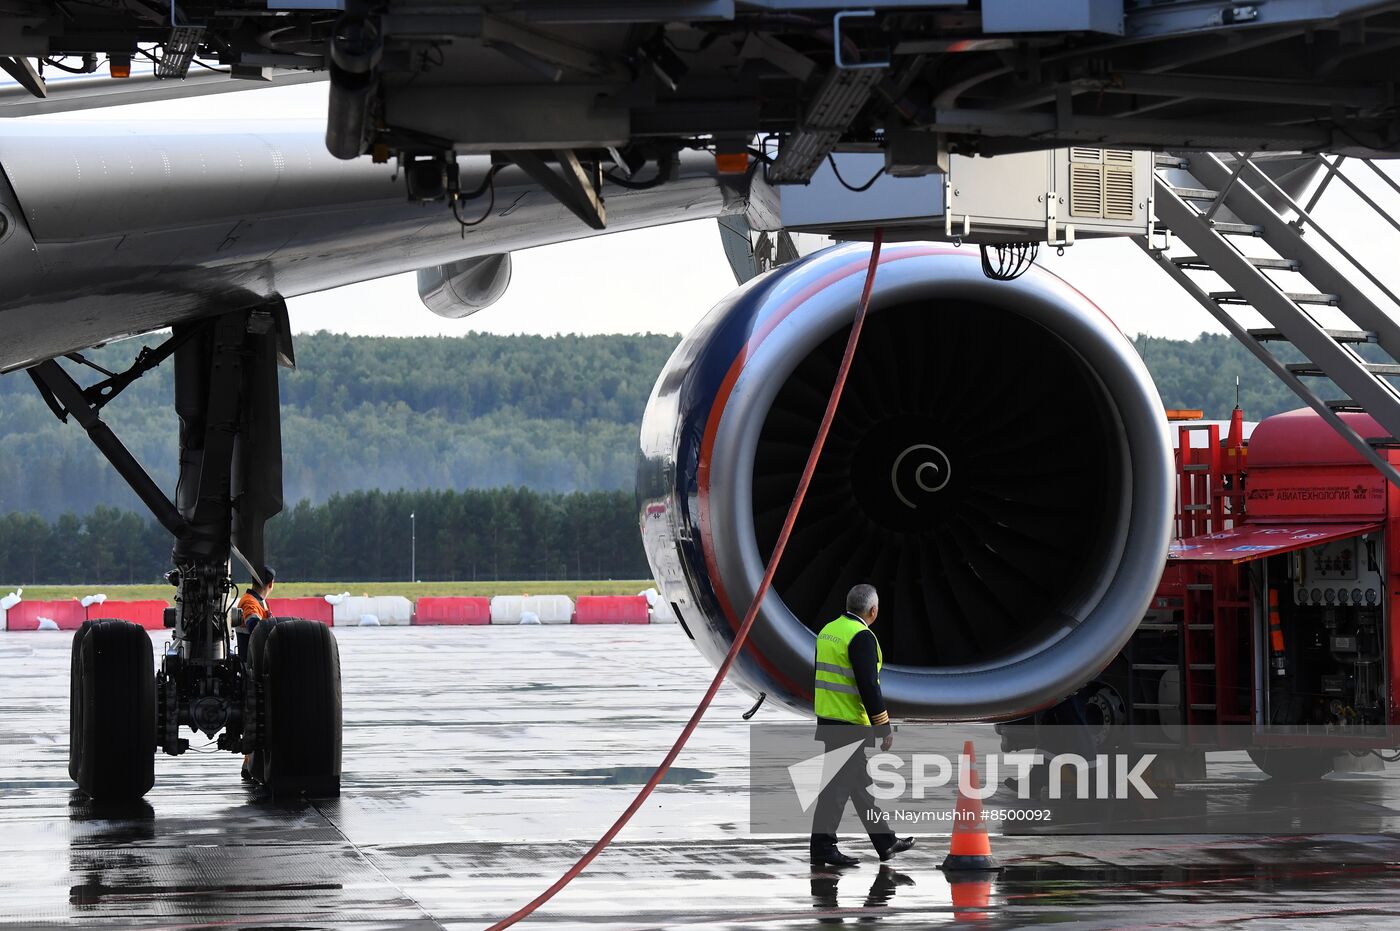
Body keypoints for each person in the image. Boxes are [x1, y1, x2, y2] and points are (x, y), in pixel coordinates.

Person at [809, 583, 915, 868]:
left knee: (859, 787)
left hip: (830, 719)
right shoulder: (862, 637)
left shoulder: (828, 630)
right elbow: (869, 685)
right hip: (850, 723)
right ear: (873, 611)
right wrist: (883, 727)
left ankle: (885, 841)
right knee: (835, 791)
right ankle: (823, 848)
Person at [235, 566, 275, 781]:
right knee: (253, 715)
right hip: (250, 667)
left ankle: (249, 763)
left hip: (253, 665)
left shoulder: (258, 601)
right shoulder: (250, 603)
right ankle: (249, 763)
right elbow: (253, 624)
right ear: (271, 584)